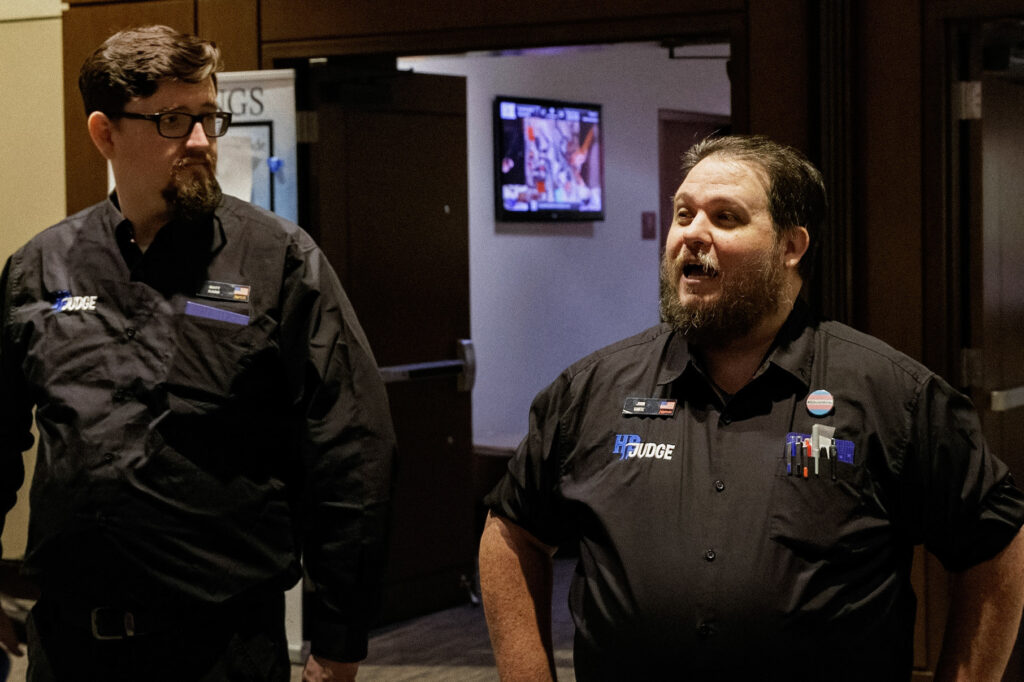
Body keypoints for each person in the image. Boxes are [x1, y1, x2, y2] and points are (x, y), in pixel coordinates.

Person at [479, 134, 1024, 681]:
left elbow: (995, 543)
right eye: (684, 213)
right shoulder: (592, 391)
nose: (692, 234)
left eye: (726, 217)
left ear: (791, 246)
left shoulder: (891, 395)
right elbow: (512, 532)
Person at [0, 25, 396, 681]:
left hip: (222, 649)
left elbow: (353, 450)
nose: (201, 143)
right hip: (68, 646)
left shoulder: (279, 261)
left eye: (209, 118)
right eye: (173, 121)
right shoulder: (40, 269)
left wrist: (338, 638)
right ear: (105, 134)